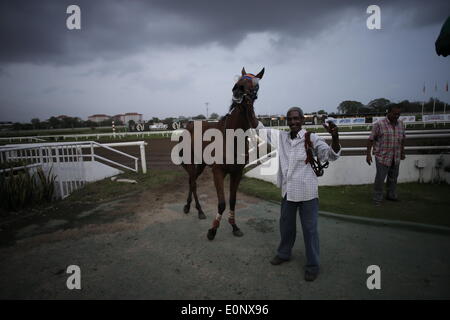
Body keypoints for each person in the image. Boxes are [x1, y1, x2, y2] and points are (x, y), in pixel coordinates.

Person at [257, 107, 341, 281]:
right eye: (290, 119)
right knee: (286, 227)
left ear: (302, 120)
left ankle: (313, 265)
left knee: (310, 231)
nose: (293, 122)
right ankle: (283, 253)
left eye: (296, 119)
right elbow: (260, 130)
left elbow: (331, 156)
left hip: (307, 192)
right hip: (288, 191)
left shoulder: (312, 138)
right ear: (286, 121)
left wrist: (335, 137)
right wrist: (247, 105)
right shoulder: (282, 138)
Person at [366, 104, 405, 205]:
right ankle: (377, 198)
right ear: (389, 112)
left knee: (393, 178)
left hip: (395, 156)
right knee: (380, 179)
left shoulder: (401, 124)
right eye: (395, 114)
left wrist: (402, 151)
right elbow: (370, 140)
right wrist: (368, 155)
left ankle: (391, 195)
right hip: (382, 156)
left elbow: (402, 139)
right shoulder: (379, 124)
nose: (397, 116)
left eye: (399, 114)